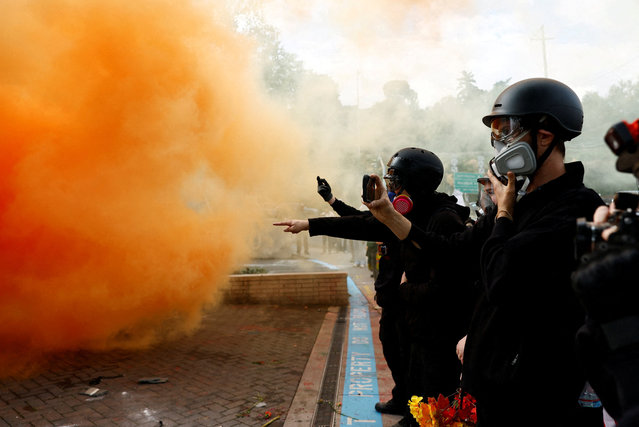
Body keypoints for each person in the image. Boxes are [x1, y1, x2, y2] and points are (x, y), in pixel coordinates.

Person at [363, 78, 606, 426]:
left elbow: (501, 278)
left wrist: (504, 211)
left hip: (534, 398)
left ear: (545, 136)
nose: (499, 143)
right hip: (493, 385)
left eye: (507, 130)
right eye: (495, 132)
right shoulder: (520, 203)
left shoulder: (574, 208)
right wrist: (387, 214)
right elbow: (450, 251)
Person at [275, 148, 472, 427]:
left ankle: (416, 417)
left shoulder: (442, 218)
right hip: (410, 311)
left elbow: (448, 284)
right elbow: (362, 223)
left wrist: (407, 290)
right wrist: (309, 223)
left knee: (432, 381)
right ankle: (409, 408)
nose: (391, 190)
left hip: (433, 322)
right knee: (407, 366)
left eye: (396, 183)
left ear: (414, 183)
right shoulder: (411, 213)